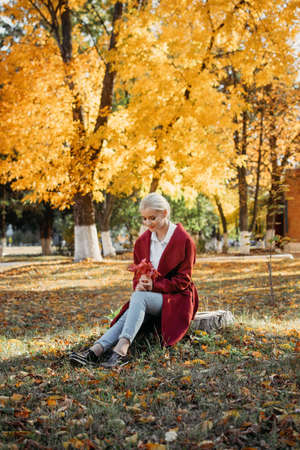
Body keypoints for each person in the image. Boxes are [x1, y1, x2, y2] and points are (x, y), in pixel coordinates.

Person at [69, 193, 199, 368]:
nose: (147, 223)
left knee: (137, 299)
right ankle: (96, 350)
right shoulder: (142, 242)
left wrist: (154, 285)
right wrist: (140, 284)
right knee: (137, 300)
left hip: (176, 298)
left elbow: (183, 281)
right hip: (148, 297)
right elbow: (137, 276)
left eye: (152, 218)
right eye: (144, 218)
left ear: (165, 212)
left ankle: (120, 350)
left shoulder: (184, 241)